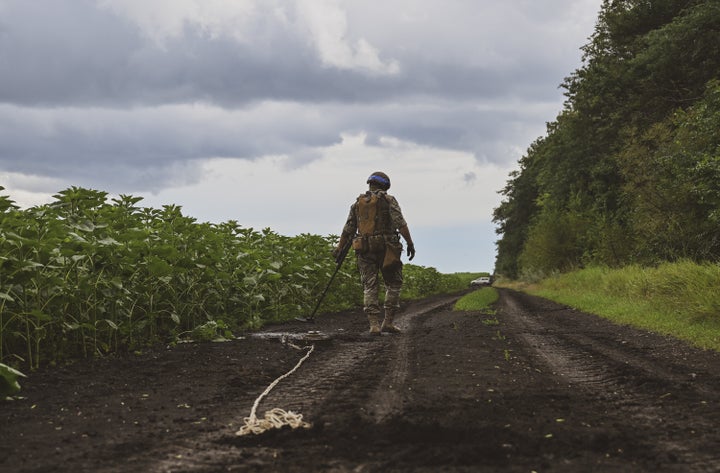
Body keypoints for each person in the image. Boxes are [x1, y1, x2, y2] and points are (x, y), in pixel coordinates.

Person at [333, 171, 416, 334]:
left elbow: (348, 229)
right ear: (385, 185)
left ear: (370, 184)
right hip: (387, 248)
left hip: (364, 248)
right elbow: (401, 224)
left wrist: (338, 248)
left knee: (369, 286)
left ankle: (374, 325)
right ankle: (388, 322)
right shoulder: (389, 200)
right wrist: (410, 243)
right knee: (393, 283)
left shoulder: (357, 204)